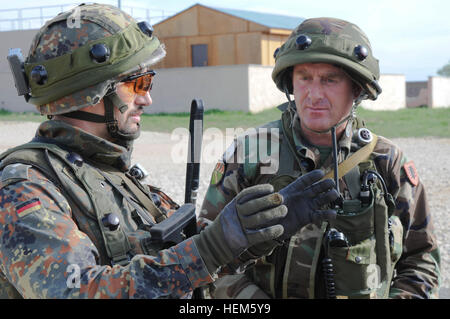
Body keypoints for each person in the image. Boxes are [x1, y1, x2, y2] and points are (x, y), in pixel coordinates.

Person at [0, 4, 339, 299]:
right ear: (89, 92)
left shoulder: (116, 176)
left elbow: (187, 267)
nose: (147, 99)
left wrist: (256, 235)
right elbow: (75, 290)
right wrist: (210, 248)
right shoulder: (25, 188)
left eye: (148, 83)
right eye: (137, 84)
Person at [200, 17, 441, 299]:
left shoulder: (386, 162)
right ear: (290, 82)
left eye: (330, 80)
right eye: (304, 78)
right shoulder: (250, 154)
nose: (314, 94)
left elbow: (422, 261)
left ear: (357, 88)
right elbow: (207, 254)